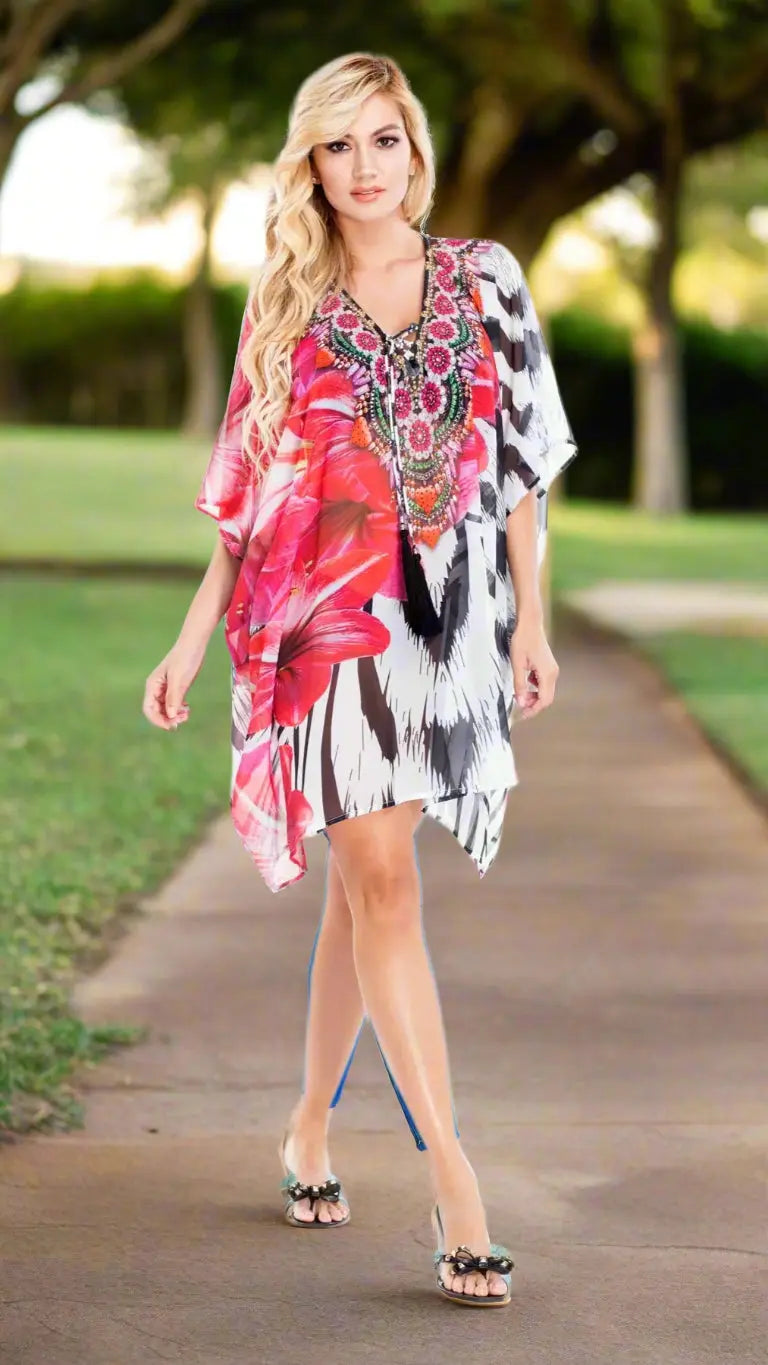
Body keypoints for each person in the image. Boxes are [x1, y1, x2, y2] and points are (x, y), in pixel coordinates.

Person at [143, 51, 577, 1308]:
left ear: (415, 150)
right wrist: (191, 635)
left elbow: (521, 469)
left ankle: (308, 1127)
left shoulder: (486, 278)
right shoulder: (287, 301)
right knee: (384, 880)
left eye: (383, 139)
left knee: (361, 892)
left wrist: (531, 623)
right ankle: (455, 1182)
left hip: (449, 633)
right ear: (311, 164)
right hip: (322, 630)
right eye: (338, 145)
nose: (364, 166)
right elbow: (248, 494)